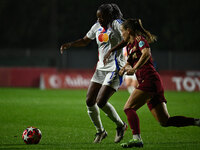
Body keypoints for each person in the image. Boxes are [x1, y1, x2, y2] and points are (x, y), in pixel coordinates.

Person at [104, 18, 200, 148]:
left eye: (122, 31)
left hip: (149, 80)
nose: (122, 34)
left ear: (129, 30)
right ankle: (196, 122)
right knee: (165, 121)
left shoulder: (140, 40)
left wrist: (134, 68)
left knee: (128, 108)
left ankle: (136, 138)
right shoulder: (130, 45)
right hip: (152, 83)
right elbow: (130, 62)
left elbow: (146, 53)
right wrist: (124, 68)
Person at [60, 3, 128, 143]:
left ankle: (121, 126)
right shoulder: (97, 26)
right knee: (89, 101)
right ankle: (100, 131)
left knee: (101, 101)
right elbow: (85, 41)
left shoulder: (116, 24)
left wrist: (111, 50)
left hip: (115, 68)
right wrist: (70, 44)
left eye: (101, 17)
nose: (99, 19)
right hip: (100, 68)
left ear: (109, 16)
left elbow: (128, 39)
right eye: (98, 17)